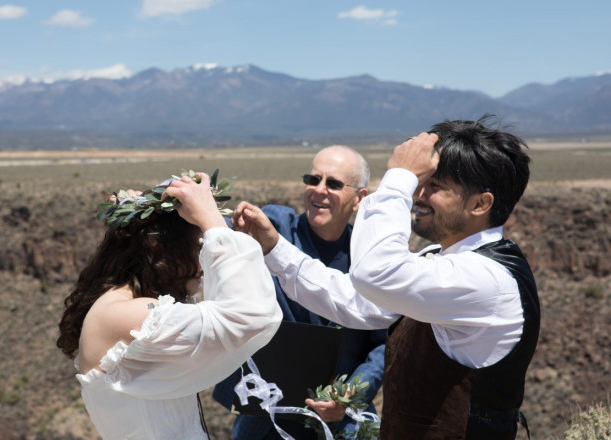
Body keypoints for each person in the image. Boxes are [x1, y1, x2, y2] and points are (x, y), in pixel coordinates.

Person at [234, 116, 540, 439]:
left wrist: (400, 176)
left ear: (480, 204)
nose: (418, 194)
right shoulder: (448, 262)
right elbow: (358, 301)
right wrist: (275, 248)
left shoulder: (487, 280)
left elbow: (374, 273)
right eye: (421, 182)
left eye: (434, 186)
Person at [56, 172, 282, 440]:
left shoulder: (125, 305)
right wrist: (213, 223)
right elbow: (249, 316)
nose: (202, 264)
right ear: (162, 249)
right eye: (198, 246)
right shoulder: (127, 315)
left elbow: (217, 311)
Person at [212, 146, 387, 439]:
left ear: (359, 199)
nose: (319, 190)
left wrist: (347, 397)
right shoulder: (276, 228)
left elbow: (383, 344)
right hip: (266, 417)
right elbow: (221, 238)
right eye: (313, 179)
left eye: (333, 183)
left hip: (337, 421)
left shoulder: (370, 260)